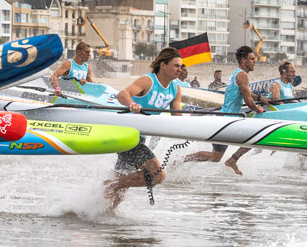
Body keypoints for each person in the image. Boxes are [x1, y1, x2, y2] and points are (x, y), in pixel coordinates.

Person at [103, 47, 183, 210]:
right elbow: (122, 94)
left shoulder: (175, 88)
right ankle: (111, 184)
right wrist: (132, 104)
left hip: (141, 138)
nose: (179, 70)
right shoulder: (148, 81)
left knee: (121, 189)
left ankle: (101, 213)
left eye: (181, 66)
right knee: (157, 175)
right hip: (127, 135)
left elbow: (177, 116)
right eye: (176, 66)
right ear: (163, 65)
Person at [181, 46, 265, 175]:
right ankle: (233, 159)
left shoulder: (236, 73)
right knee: (255, 136)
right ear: (243, 60)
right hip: (228, 120)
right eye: (252, 59)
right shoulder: (243, 75)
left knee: (215, 157)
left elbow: (246, 92)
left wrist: (260, 98)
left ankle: (182, 159)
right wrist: (258, 108)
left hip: (224, 118)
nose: (255, 61)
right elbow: (248, 100)